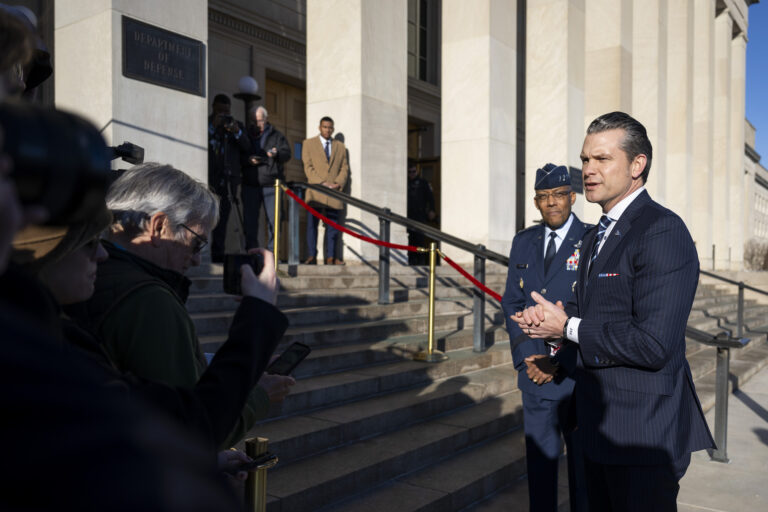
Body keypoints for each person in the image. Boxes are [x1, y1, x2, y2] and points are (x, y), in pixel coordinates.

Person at [515, 111, 715, 511]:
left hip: (641, 435)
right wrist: (551, 324)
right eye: (586, 159)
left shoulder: (662, 230)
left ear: (637, 165)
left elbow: (653, 343)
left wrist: (568, 326)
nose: (587, 170)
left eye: (602, 159)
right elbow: (595, 314)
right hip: (596, 428)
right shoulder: (597, 235)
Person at [71, 163, 295, 449]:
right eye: (196, 243)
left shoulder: (100, 273)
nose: (197, 259)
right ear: (159, 226)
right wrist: (258, 392)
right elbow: (194, 430)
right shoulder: (148, 300)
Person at [501, 163, 590, 512]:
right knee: (539, 469)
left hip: (577, 373)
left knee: (583, 471)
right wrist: (529, 356)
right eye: (543, 197)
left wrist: (559, 361)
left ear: (571, 197)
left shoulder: (592, 239)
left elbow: (594, 308)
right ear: (536, 202)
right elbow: (512, 301)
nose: (551, 202)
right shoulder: (523, 241)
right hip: (535, 372)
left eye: (558, 195)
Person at [208, 93, 251, 262]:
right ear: (214, 109)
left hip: (229, 178)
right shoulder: (207, 123)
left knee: (224, 216)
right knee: (207, 215)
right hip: (210, 176)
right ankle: (204, 252)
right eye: (220, 112)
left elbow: (246, 146)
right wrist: (213, 126)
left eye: (227, 112)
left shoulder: (236, 125)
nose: (224, 115)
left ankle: (218, 252)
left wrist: (237, 132)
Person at [242, 105, 291, 251]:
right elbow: (238, 156)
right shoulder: (245, 135)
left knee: (274, 221)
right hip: (250, 184)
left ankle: (272, 254)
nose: (257, 124)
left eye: (260, 121)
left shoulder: (277, 135)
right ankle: (252, 252)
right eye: (254, 121)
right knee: (250, 222)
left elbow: (287, 154)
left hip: (271, 184)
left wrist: (276, 154)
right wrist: (248, 160)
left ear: (266, 119)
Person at [301, 116, 349, 265]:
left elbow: (344, 168)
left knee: (333, 227)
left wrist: (337, 183)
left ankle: (331, 257)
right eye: (325, 127)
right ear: (319, 127)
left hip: (334, 193)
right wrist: (321, 182)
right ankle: (311, 256)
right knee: (311, 226)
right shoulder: (308, 144)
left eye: (330, 127)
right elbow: (307, 167)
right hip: (315, 191)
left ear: (333, 129)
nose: (327, 130)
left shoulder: (340, 147)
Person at [406, 161, 436, 266]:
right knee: (411, 239)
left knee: (420, 238)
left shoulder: (423, 183)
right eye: (409, 172)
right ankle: (412, 259)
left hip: (420, 215)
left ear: (417, 171)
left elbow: (430, 198)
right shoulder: (406, 183)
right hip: (409, 215)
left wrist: (432, 210)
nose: (412, 174)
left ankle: (421, 260)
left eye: (413, 171)